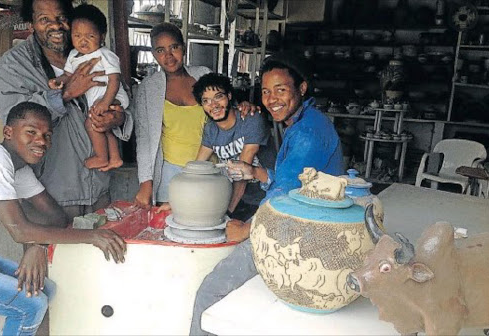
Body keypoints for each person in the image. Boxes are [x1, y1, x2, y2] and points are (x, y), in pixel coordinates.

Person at [189, 52, 344, 335]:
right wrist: (257, 174)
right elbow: (294, 181)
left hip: (294, 230)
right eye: (265, 91)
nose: (272, 98)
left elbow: (284, 196)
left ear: (302, 88)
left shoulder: (307, 133)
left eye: (281, 90)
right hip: (300, 219)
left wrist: (247, 228)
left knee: (209, 294)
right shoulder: (303, 123)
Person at [0, 102, 126, 336]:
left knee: (44, 288)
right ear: (8, 132)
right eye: (31, 132)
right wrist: (92, 236)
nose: (41, 141)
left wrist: (39, 246)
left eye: (47, 135)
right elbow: (19, 231)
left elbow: (57, 216)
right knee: (31, 304)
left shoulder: (18, 170)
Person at [0, 0, 133, 221]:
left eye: (61, 18)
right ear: (31, 22)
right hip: (48, 195)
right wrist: (65, 93)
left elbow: (121, 100)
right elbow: (17, 131)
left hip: (100, 189)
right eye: (44, 19)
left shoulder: (92, 52)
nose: (55, 26)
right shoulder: (10, 67)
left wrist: (118, 117)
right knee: (46, 253)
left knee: (98, 252)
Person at [133, 23, 257, 210]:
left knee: (210, 222)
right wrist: (146, 182)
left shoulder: (202, 74)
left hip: (212, 167)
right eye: (160, 50)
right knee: (173, 230)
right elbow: (144, 139)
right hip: (171, 174)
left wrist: (244, 107)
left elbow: (225, 111)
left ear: (183, 47)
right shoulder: (147, 89)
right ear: (154, 55)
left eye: (174, 47)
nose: (168, 56)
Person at [48, 4, 129, 170]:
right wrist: (58, 81)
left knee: (91, 123)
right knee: (104, 125)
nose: (83, 41)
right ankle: (114, 158)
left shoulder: (105, 55)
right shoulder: (73, 55)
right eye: (77, 35)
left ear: (101, 36)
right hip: (99, 98)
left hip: (111, 95)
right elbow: (68, 75)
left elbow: (115, 80)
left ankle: (101, 156)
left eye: (90, 36)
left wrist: (106, 102)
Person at [192, 73, 272, 221]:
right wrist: (175, 202)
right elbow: (197, 168)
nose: (214, 105)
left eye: (218, 97)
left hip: (267, 198)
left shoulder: (251, 120)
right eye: (206, 101)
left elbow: (241, 173)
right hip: (240, 200)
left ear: (229, 96)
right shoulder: (211, 129)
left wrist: (227, 213)